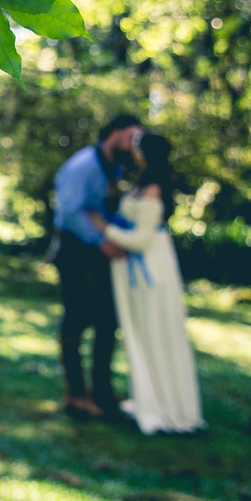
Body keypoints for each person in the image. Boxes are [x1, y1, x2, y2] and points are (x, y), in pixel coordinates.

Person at [89, 132, 205, 435]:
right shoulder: (142, 185)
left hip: (150, 271)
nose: (132, 151)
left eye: (137, 148)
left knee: (157, 334)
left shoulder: (153, 188)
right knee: (143, 335)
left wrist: (103, 228)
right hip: (136, 273)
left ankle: (166, 407)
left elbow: (141, 240)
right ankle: (148, 398)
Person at [50, 114, 143, 421]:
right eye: (131, 137)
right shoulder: (84, 165)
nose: (134, 145)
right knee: (76, 320)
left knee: (107, 321)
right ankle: (76, 395)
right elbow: (71, 211)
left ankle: (101, 390)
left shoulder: (112, 166)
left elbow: (102, 210)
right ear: (114, 133)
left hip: (98, 254)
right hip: (75, 251)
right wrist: (100, 241)